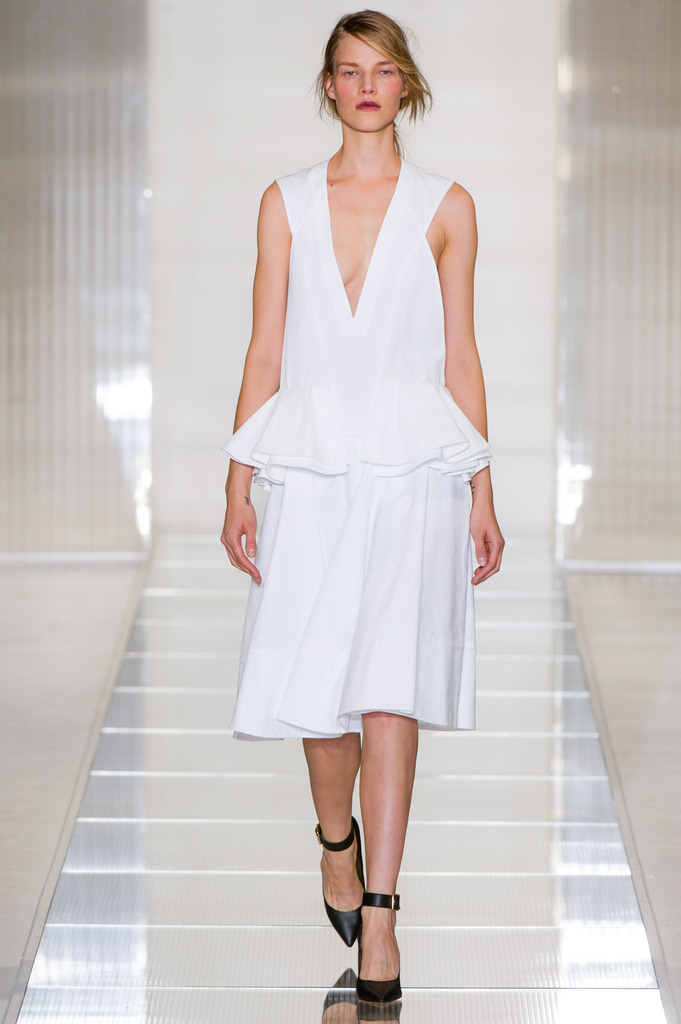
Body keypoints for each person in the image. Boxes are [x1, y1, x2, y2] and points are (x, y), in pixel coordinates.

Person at [220, 9, 504, 1006]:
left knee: (390, 688)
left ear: (406, 85)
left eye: (383, 70)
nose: (367, 86)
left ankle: (380, 914)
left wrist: (480, 484)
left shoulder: (446, 207)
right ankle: (335, 842)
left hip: (414, 471)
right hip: (310, 470)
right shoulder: (286, 203)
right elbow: (264, 346)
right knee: (322, 691)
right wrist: (238, 477)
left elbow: (460, 354)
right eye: (350, 71)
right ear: (329, 87)